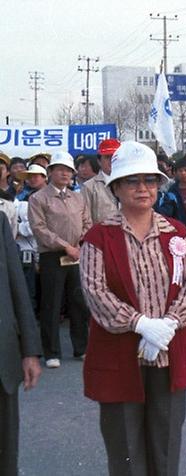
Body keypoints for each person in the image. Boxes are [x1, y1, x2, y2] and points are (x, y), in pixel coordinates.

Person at [80, 141, 186, 476]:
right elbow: (95, 292)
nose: (142, 188)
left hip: (168, 353)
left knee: (165, 448)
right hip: (121, 356)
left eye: (150, 180)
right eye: (132, 181)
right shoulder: (98, 237)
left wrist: (168, 324)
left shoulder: (177, 233)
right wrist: (140, 324)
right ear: (116, 187)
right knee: (126, 452)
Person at [28, 151, 92, 369]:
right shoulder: (38, 198)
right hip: (52, 256)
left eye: (69, 170)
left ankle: (81, 348)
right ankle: (51, 352)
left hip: (77, 254)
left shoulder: (78, 196)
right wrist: (66, 246)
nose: (65, 174)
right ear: (51, 172)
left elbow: (87, 222)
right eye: (60, 169)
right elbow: (39, 229)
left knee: (79, 303)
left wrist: (80, 245)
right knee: (51, 305)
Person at [0, 212, 42, 475]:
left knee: (5, 454)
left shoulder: (0, 221)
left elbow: (17, 284)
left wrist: (29, 350)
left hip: (1, 357)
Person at [15, 164, 48, 316]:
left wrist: (17, 228)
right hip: (28, 249)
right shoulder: (24, 197)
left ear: (44, 177)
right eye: (30, 176)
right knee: (31, 283)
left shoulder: (53, 195)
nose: (32, 179)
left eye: (36, 176)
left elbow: (33, 226)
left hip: (49, 245)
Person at [82, 138, 122, 224]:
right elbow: (85, 221)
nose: (112, 161)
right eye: (108, 157)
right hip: (101, 236)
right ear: (99, 161)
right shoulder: (89, 187)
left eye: (115, 156)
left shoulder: (129, 184)